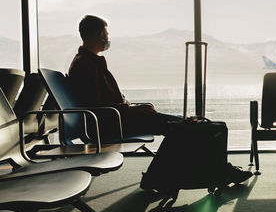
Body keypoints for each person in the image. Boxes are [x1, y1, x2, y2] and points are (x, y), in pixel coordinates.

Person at [68, 14, 252, 184]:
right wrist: (133, 110)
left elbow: (103, 102)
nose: (107, 39)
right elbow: (97, 107)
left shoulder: (90, 61)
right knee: (183, 127)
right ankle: (161, 177)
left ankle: (163, 176)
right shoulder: (85, 65)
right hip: (110, 125)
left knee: (185, 125)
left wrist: (134, 108)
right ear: (98, 35)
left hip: (118, 118)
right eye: (105, 34)